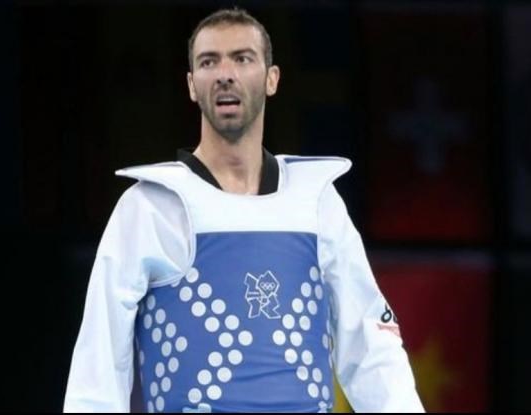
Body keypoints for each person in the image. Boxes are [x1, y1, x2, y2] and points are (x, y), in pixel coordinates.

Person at [63, 7, 423, 413]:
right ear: (191, 85)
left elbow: (371, 347)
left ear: (272, 78)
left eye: (242, 58)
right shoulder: (150, 206)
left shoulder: (317, 201)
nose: (225, 74)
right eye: (208, 62)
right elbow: (99, 362)